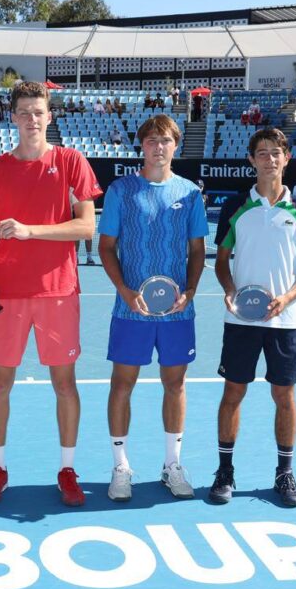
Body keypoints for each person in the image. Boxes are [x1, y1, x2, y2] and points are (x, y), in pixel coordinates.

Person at [0, 81, 102, 507]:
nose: (32, 119)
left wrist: (32, 232)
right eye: (24, 112)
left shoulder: (71, 161)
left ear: (50, 117)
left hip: (58, 291)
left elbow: (86, 227)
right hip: (7, 294)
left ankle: (67, 469)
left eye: (39, 112)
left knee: (64, 385)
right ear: (13, 117)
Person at [211, 128, 296, 507]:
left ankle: (284, 473)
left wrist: (289, 297)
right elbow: (221, 260)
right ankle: (225, 471)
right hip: (241, 321)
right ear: (251, 160)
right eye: (262, 153)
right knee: (233, 393)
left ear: (287, 158)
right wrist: (229, 290)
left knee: (284, 396)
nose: (269, 159)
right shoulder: (235, 207)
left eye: (276, 153)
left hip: (285, 322)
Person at [98, 114, 207, 502]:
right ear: (141, 146)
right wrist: (126, 291)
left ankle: (172, 464)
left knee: (175, 384)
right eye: (151, 141)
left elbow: (197, 250)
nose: (158, 147)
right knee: (122, 384)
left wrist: (190, 290)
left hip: (178, 312)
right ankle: (121, 466)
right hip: (131, 311)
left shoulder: (191, 193)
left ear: (176, 145)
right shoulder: (121, 190)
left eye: (165, 140)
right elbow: (106, 247)